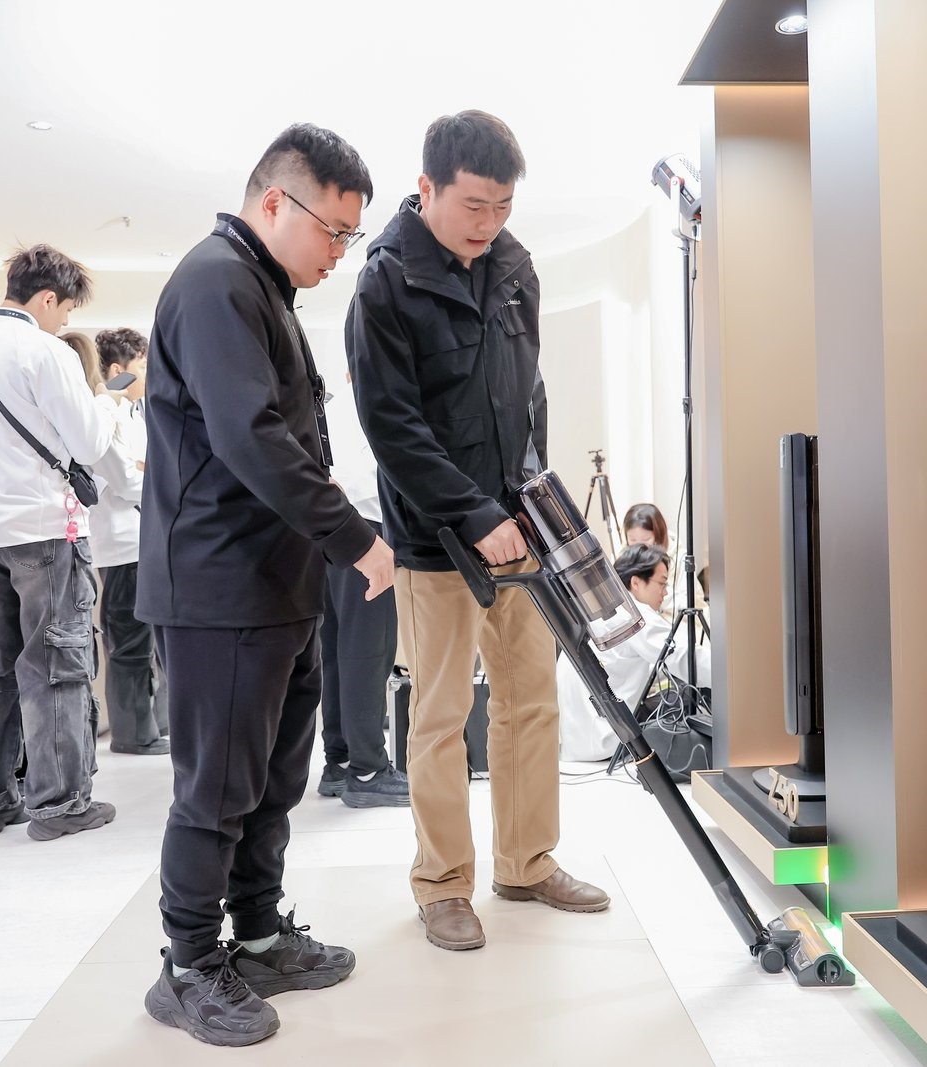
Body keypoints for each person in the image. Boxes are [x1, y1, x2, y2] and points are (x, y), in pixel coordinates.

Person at [137, 124, 393, 1048]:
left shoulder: (262, 287)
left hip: (275, 582)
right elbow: (251, 438)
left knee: (274, 777)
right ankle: (187, 964)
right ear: (276, 201)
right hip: (220, 586)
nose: (340, 251)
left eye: (351, 235)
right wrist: (354, 536)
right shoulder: (216, 282)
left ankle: (253, 933)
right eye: (334, 230)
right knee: (216, 786)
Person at [347, 110, 609, 954]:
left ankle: (526, 862)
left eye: (502, 206)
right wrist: (471, 512)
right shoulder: (385, 284)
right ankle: (443, 883)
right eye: (473, 205)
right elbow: (392, 427)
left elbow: (528, 392)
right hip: (436, 539)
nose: (489, 222)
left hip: (516, 528)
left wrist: (529, 492)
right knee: (441, 710)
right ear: (426, 188)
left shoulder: (515, 268)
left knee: (531, 699)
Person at [0, 245, 116, 841]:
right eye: (65, 310)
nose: (64, 322)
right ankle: (60, 805)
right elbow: (88, 443)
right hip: (43, 529)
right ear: (47, 298)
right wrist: (106, 404)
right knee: (55, 668)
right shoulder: (44, 350)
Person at [317, 370, 407, 807]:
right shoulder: (373, 404)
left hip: (330, 534)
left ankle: (338, 761)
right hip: (366, 534)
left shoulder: (330, 407)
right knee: (368, 653)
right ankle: (368, 769)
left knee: (337, 652)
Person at [84, 327, 169, 755]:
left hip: (143, 540)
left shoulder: (134, 412)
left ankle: (153, 725)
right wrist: (147, 472)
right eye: (143, 367)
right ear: (118, 370)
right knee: (129, 643)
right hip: (120, 547)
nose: (151, 375)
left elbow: (147, 469)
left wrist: (146, 470)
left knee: (150, 642)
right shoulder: (105, 414)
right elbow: (126, 481)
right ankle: (133, 735)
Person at [555, 543, 711, 761]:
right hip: (607, 740)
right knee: (688, 693)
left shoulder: (599, 611)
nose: (665, 593)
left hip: (576, 745)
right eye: (662, 583)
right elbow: (682, 656)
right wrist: (733, 679)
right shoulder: (631, 614)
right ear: (636, 582)